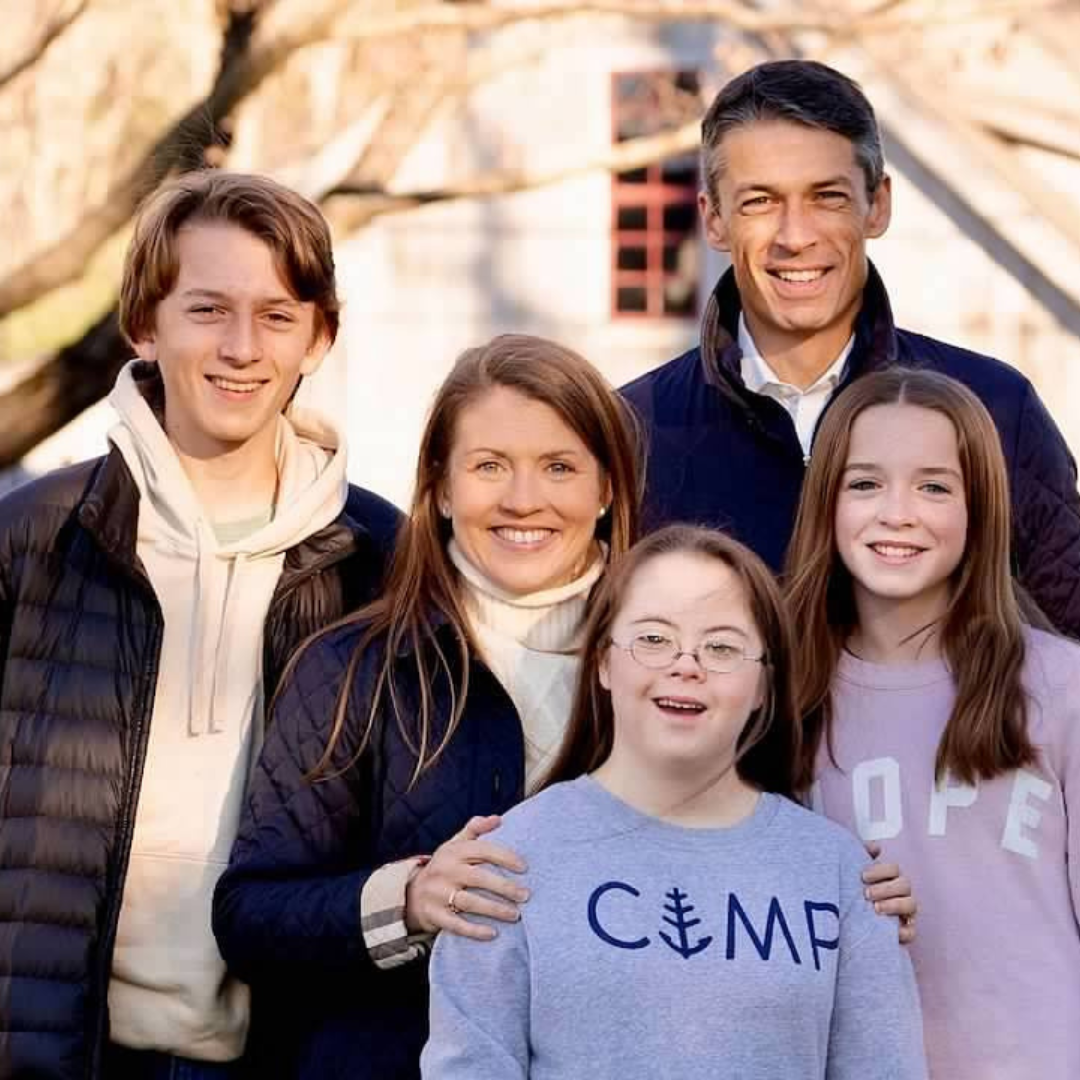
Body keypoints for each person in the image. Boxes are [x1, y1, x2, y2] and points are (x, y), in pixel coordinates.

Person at [0, 170, 400, 1080]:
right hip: (59, 1052)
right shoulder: (35, 540)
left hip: (281, 1054)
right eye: (208, 309)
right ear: (146, 323)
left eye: (277, 315)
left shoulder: (380, 561)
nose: (241, 348)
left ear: (319, 337)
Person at [211, 335, 642, 1079]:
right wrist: (406, 898)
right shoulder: (354, 668)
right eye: (489, 466)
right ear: (441, 487)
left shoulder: (676, 670)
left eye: (560, 467)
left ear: (606, 487)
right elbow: (249, 918)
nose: (522, 499)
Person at [421, 525, 928, 1080]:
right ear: (603, 663)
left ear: (764, 685)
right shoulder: (507, 861)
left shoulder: (839, 873)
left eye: (722, 646)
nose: (686, 665)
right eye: (655, 639)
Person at [620, 58, 1080, 638]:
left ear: (877, 205)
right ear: (714, 220)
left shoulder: (995, 409)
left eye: (827, 197)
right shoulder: (631, 430)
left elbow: (1070, 655)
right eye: (760, 201)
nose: (795, 236)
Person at [785, 368, 1080, 1078]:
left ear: (980, 509)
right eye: (865, 484)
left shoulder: (1059, 685)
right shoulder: (775, 695)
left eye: (934, 486)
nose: (897, 512)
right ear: (825, 501)